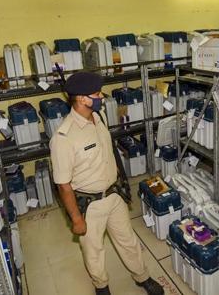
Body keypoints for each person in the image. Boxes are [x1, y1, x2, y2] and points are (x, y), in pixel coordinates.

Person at [50, 71, 164, 295]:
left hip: (114, 195)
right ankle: (101, 287)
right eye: (96, 93)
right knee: (94, 251)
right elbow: (63, 185)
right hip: (90, 205)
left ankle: (142, 277)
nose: (101, 96)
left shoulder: (98, 116)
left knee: (128, 241)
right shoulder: (63, 139)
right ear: (82, 99)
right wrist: (76, 219)